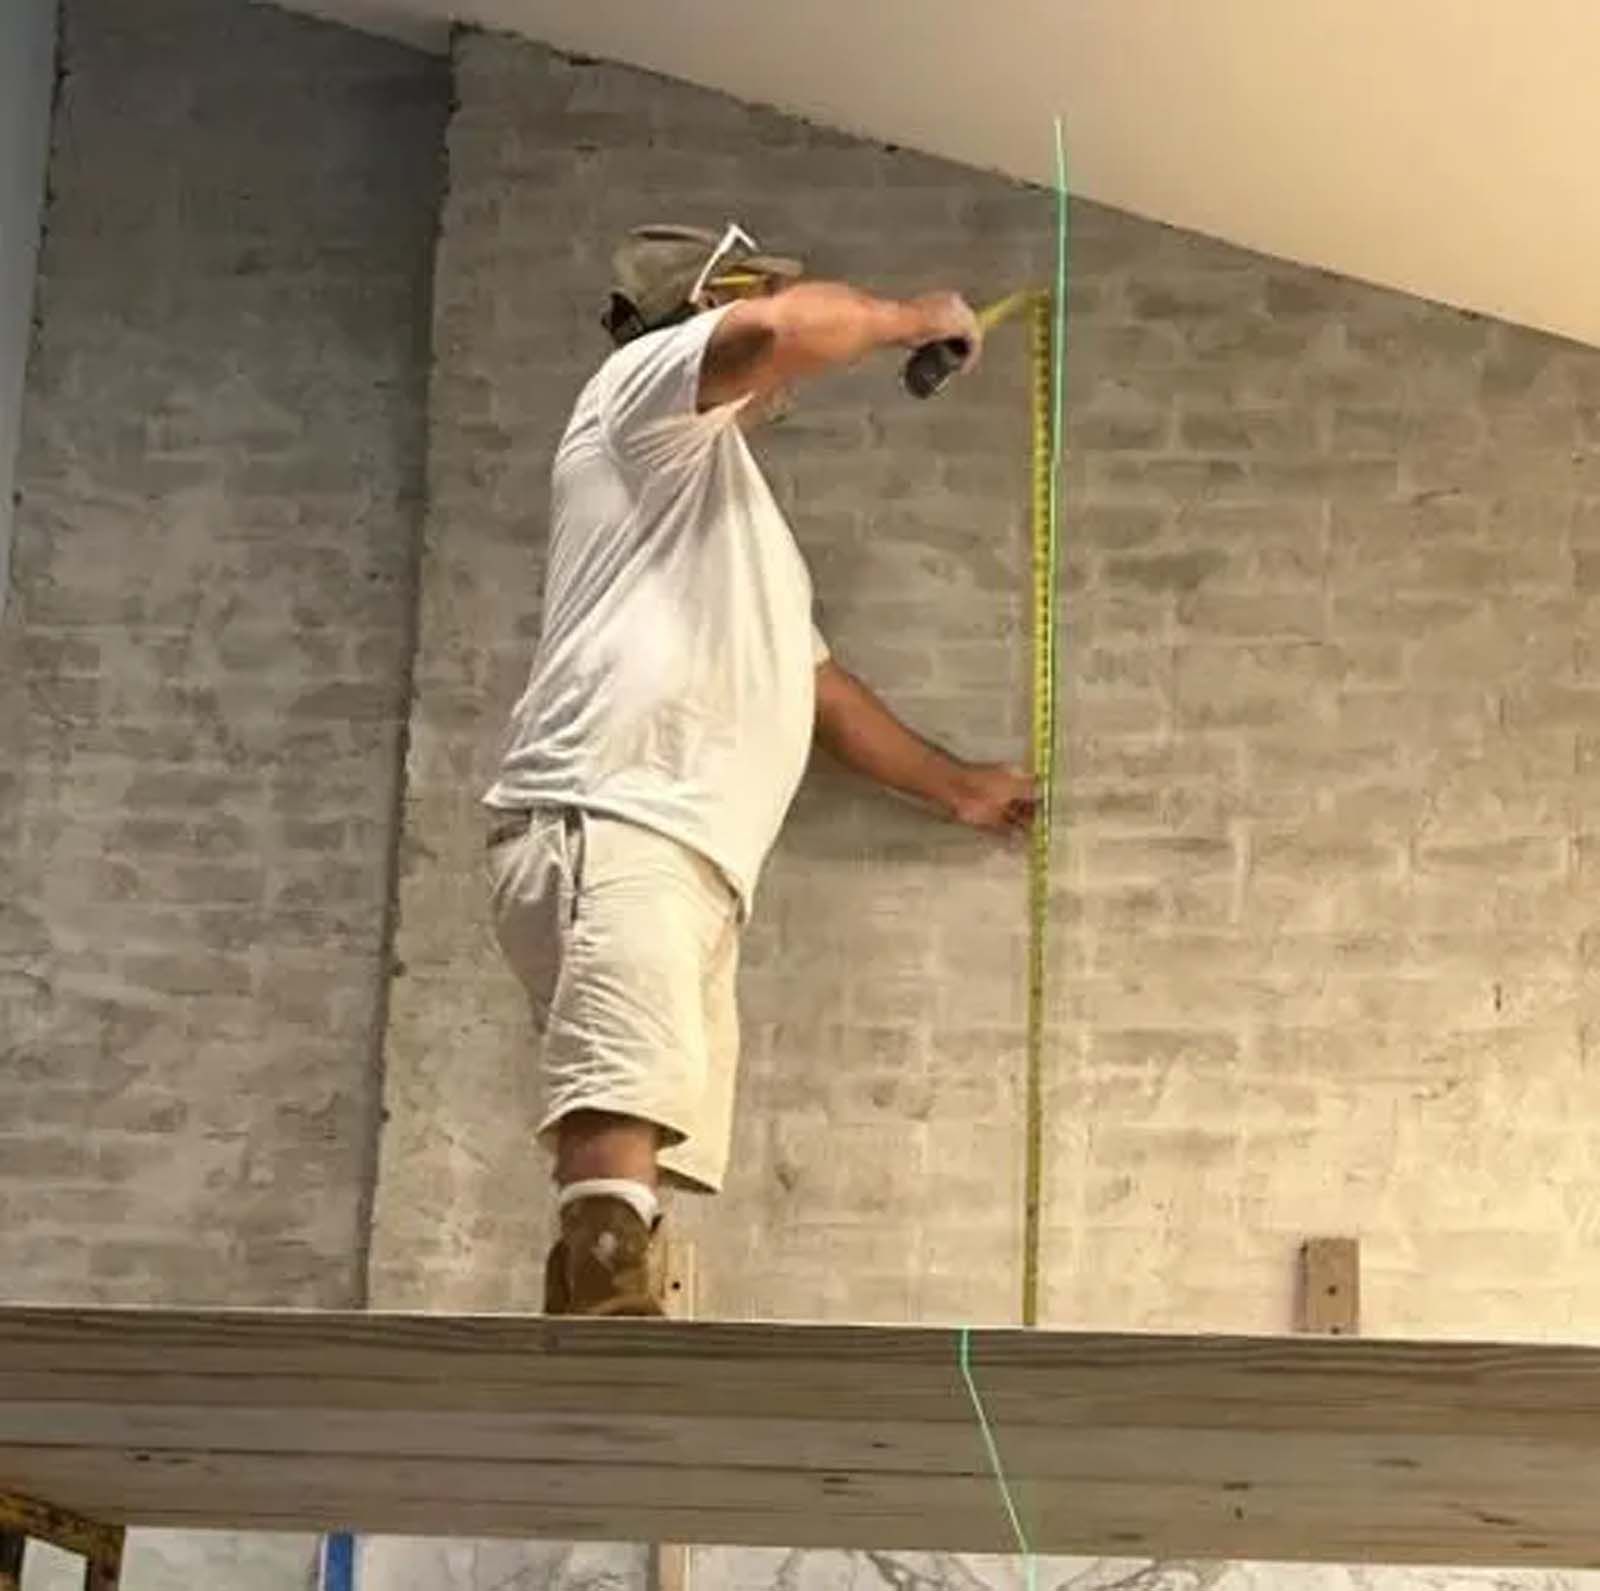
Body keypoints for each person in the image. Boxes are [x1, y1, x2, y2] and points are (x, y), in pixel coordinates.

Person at [483, 222, 1035, 1316]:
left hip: (671, 840)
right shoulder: (635, 396)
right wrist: (914, 318)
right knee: (616, 1115)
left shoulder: (727, 508)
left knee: (636, 1118)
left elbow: (819, 691)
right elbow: (787, 329)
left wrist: (959, 786)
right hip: (618, 810)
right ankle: (595, 1368)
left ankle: (612, 1313)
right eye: (757, 291)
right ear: (706, 306)